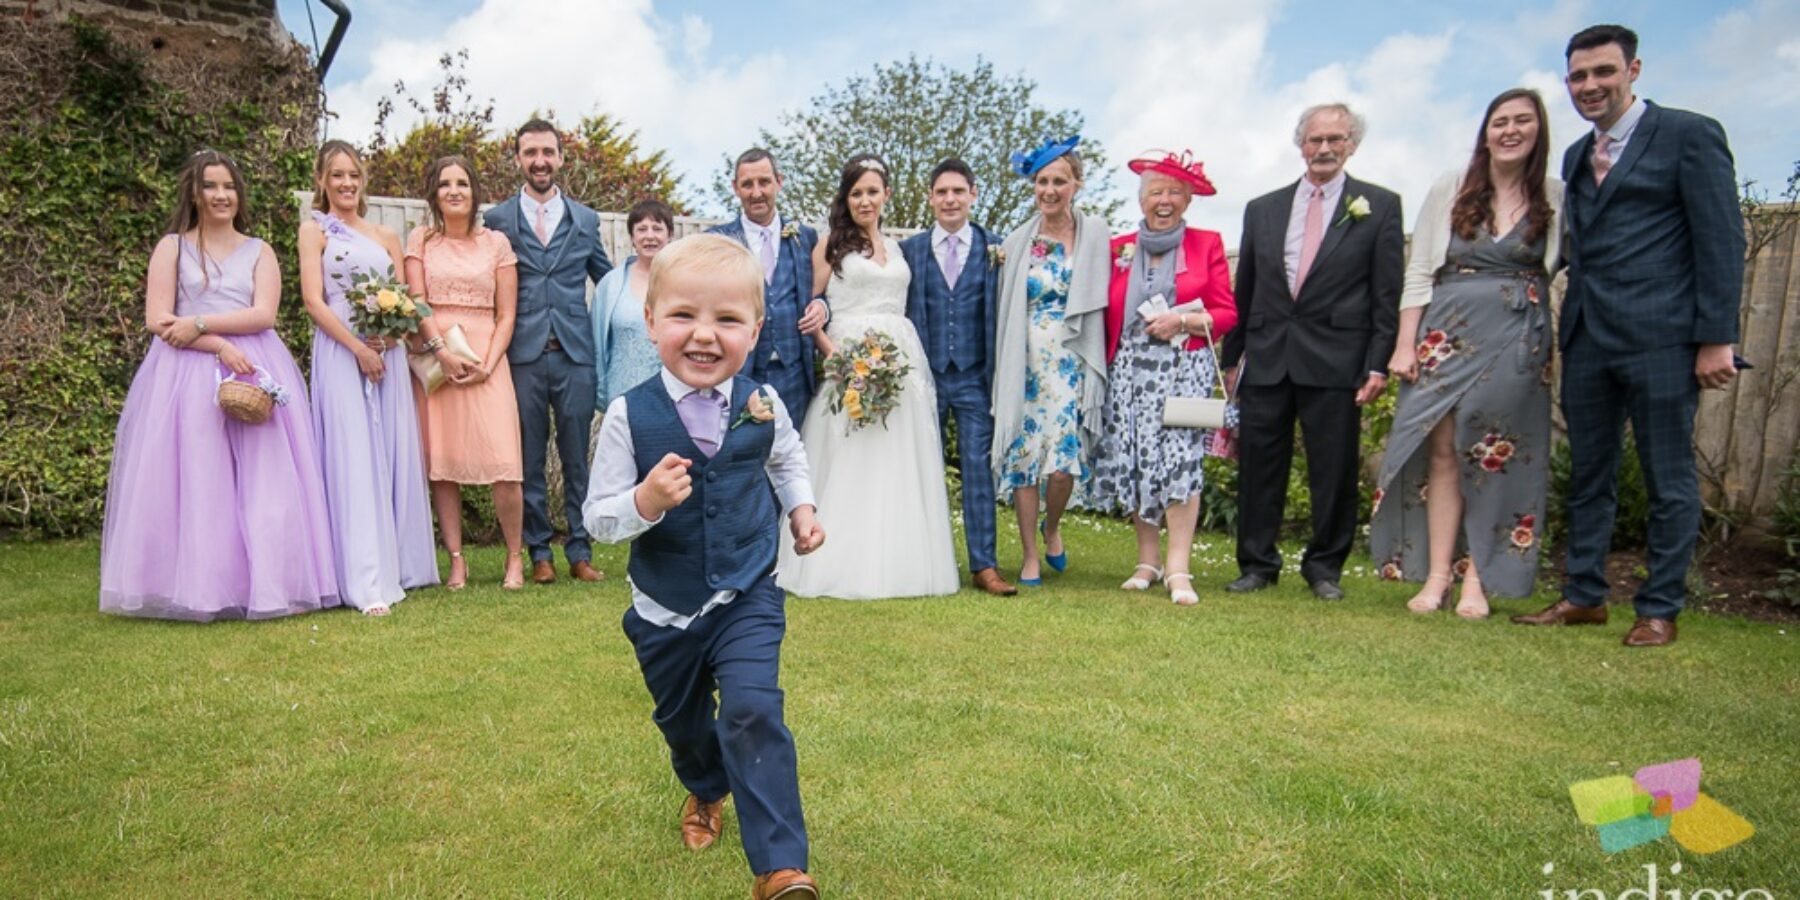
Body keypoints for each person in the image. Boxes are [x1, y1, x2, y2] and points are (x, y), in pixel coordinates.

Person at [581, 234, 825, 900]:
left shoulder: (764, 403)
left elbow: (786, 460)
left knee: (751, 709)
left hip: (748, 591)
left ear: (754, 330)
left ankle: (780, 868)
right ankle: (704, 787)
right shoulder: (631, 415)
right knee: (685, 727)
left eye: (727, 320)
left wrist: (801, 511)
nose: (704, 335)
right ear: (653, 320)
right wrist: (644, 502)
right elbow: (598, 519)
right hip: (664, 608)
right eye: (684, 315)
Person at [1513, 25, 1745, 647]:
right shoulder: (1574, 157)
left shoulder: (1688, 135)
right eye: (1579, 77)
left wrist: (1716, 338)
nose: (1590, 86)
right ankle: (1584, 596)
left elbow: (1721, 239)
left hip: (1663, 336)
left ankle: (1659, 607)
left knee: (1667, 476)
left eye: (1603, 73)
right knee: (1590, 472)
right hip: (1589, 334)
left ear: (1633, 70)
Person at [100, 149, 338, 621]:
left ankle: (267, 585)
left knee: (264, 482)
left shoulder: (260, 250)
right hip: (184, 372)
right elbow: (157, 318)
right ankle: (198, 588)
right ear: (195, 191)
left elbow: (263, 314)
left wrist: (204, 323)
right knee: (198, 482)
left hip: (253, 364)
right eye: (211, 186)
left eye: (229, 186)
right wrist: (214, 345)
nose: (221, 194)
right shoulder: (172, 247)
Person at [1372, 89, 1563, 620]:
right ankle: (1435, 578)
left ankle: (1477, 579)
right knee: (1442, 452)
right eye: (1499, 121)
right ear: (1485, 132)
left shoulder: (1556, 194)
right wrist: (1405, 344)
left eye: (1522, 121)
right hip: (1446, 335)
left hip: (1518, 340)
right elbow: (1419, 270)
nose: (1510, 130)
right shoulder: (1451, 188)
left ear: (1538, 131)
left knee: (1497, 456)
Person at [1220, 103, 1403, 601]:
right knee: (1259, 466)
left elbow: (1387, 292)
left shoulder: (1379, 206)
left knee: (1333, 468)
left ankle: (1324, 569)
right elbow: (1247, 287)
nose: (1324, 149)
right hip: (1269, 353)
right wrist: (1233, 357)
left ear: (1352, 145)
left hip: (1336, 356)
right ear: (1300, 145)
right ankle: (1257, 564)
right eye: (1315, 140)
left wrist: (1377, 361)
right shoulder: (1263, 208)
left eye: (1335, 139)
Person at [777, 154, 961, 599]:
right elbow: (811, 308)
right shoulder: (830, 245)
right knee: (850, 460)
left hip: (901, 364)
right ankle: (834, 560)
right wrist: (837, 358)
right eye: (856, 192)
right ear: (846, 197)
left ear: (886, 195)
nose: (865, 200)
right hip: (849, 361)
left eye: (872, 192)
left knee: (897, 459)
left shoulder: (897, 248)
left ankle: (901, 564)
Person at [299, 140, 440, 616]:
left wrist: (392, 336)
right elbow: (314, 302)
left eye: (353, 175)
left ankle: (402, 563)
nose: (346, 184)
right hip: (342, 353)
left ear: (363, 181)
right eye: (337, 175)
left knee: (392, 451)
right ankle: (362, 579)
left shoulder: (385, 235)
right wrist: (358, 347)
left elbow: (403, 298)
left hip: (389, 355)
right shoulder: (314, 231)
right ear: (322, 179)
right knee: (353, 452)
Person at [1094, 151, 1238, 607]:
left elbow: (1226, 312)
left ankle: (1178, 566)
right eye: (1156, 192)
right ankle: (1147, 561)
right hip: (1129, 370)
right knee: (1137, 460)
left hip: (1182, 369)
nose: (1164, 200)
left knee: (1178, 462)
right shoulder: (1118, 247)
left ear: (1188, 200)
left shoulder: (1207, 243)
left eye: (1175, 193)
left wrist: (1183, 321)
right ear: (1141, 199)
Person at [482, 119, 613, 586]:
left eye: (548, 152)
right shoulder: (497, 220)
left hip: (576, 355)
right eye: (530, 152)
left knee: (577, 457)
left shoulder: (585, 220)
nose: (540, 161)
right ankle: (539, 552)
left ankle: (579, 549)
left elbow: (609, 279)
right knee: (528, 455)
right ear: (518, 158)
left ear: (560, 158)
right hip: (521, 355)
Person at [993, 136, 1111, 587]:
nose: (1049, 190)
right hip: (1024, 361)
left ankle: (1053, 525)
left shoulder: (1093, 233)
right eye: (1041, 181)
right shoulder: (1018, 241)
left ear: (1076, 184)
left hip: (1071, 357)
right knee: (1025, 460)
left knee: (1062, 465)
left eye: (1059, 181)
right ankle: (1028, 554)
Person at [406, 156, 528, 590]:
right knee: (443, 463)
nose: (454, 191)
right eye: (445, 184)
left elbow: (507, 313)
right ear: (434, 194)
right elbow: (416, 301)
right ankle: (457, 560)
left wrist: (489, 364)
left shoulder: (496, 243)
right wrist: (441, 352)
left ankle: (515, 557)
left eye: (462, 183)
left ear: (474, 191)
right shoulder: (420, 240)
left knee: (505, 463)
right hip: (438, 357)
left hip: (487, 356)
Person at [900, 158, 1017, 596]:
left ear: (973, 194)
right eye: (941, 192)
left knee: (977, 469)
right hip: (923, 376)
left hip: (973, 376)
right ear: (930, 197)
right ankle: (919, 561)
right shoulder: (909, 250)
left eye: (958, 191)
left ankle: (984, 565)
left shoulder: (996, 249)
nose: (950, 199)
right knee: (919, 468)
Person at [708, 148, 827, 415]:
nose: (756, 192)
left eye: (764, 182)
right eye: (747, 184)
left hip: (796, 374)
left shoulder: (805, 237)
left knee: (794, 454)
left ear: (779, 182)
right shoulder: (717, 240)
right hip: (740, 373)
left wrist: (821, 306)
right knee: (745, 453)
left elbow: (822, 291)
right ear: (735, 188)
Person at [593, 198, 675, 412]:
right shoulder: (610, 285)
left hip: (673, 399)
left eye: (657, 228)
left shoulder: (683, 283)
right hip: (622, 398)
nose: (650, 236)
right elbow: (597, 344)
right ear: (632, 237)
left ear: (670, 235)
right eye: (641, 229)